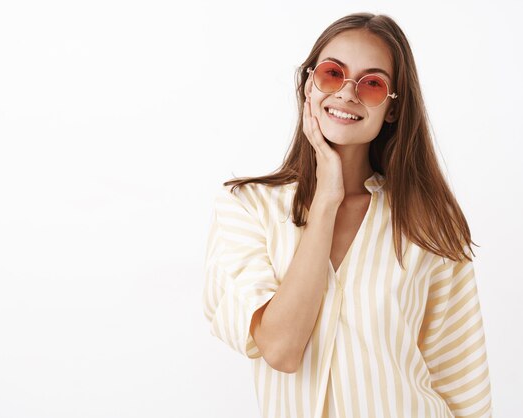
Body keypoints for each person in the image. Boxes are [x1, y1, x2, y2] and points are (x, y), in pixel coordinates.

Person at [201, 12, 492, 418]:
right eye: (332, 74)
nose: (348, 93)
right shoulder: (247, 208)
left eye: (372, 84)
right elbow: (281, 349)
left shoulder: (427, 221)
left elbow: (463, 383)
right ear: (308, 85)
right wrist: (326, 200)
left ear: (392, 109)